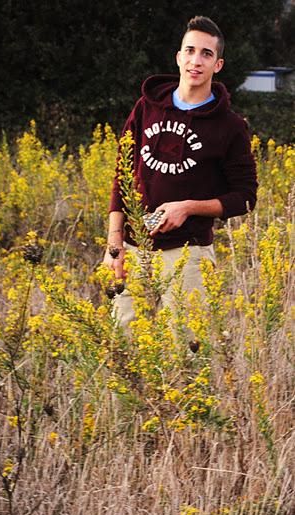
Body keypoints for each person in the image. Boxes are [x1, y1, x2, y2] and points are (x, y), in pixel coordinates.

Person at [103, 15, 258, 328]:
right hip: (133, 248)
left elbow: (245, 198)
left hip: (188, 255)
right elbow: (122, 177)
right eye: (189, 51)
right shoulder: (145, 108)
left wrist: (188, 208)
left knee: (186, 356)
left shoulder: (231, 127)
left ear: (218, 65)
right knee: (125, 349)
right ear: (178, 57)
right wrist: (114, 245)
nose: (195, 61)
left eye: (206, 54)